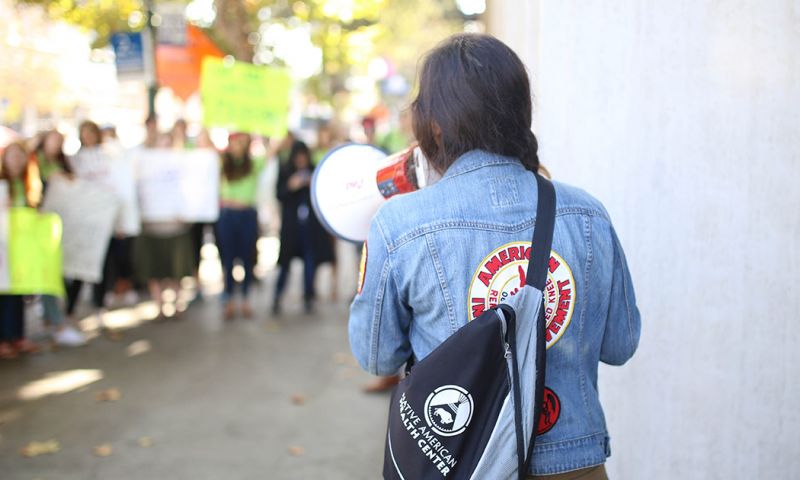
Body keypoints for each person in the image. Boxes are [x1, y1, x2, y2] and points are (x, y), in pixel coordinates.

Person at [348, 34, 640, 479]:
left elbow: (377, 357)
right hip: (576, 465)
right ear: (521, 112)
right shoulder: (587, 214)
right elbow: (621, 344)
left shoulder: (401, 223)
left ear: (436, 125)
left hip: (459, 461)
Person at [31, 131, 86, 347]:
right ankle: (55, 321)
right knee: (47, 274)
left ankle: (54, 316)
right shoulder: (34, 164)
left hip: (60, 224)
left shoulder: (64, 164)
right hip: (38, 226)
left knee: (60, 273)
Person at [273, 140, 334, 314]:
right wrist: (290, 186)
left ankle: (309, 296)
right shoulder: (285, 171)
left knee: (310, 262)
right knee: (285, 264)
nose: (301, 161)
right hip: (291, 227)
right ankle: (277, 296)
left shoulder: (315, 170)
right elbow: (279, 194)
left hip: (310, 228)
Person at [216, 132, 264, 320]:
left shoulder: (253, 164)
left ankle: (245, 299)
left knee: (247, 259)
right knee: (228, 260)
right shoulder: (222, 163)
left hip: (247, 214)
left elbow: (272, 150)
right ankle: (228, 300)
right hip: (227, 214)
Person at [0, 142, 40, 358]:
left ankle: (18, 336)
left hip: (21, 249)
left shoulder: (27, 185)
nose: (16, 161)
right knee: (4, 294)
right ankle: (4, 339)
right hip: (3, 247)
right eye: (12, 156)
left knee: (18, 293)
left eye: (20, 156)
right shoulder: (2, 184)